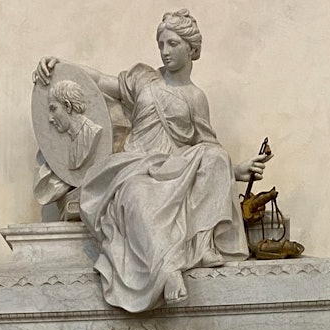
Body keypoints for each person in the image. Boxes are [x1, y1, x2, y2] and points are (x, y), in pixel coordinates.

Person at [33, 9, 272, 312]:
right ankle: (168, 269)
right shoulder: (144, 79)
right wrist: (62, 67)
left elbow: (206, 142)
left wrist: (236, 170)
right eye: (161, 44)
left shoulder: (196, 97)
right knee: (136, 194)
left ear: (191, 48)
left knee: (216, 157)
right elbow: (100, 81)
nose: (165, 50)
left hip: (175, 166)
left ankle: (201, 244)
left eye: (173, 43)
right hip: (136, 165)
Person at [48, 80, 103, 171]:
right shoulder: (74, 141)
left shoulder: (92, 132)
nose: (50, 119)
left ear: (67, 106)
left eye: (53, 109)